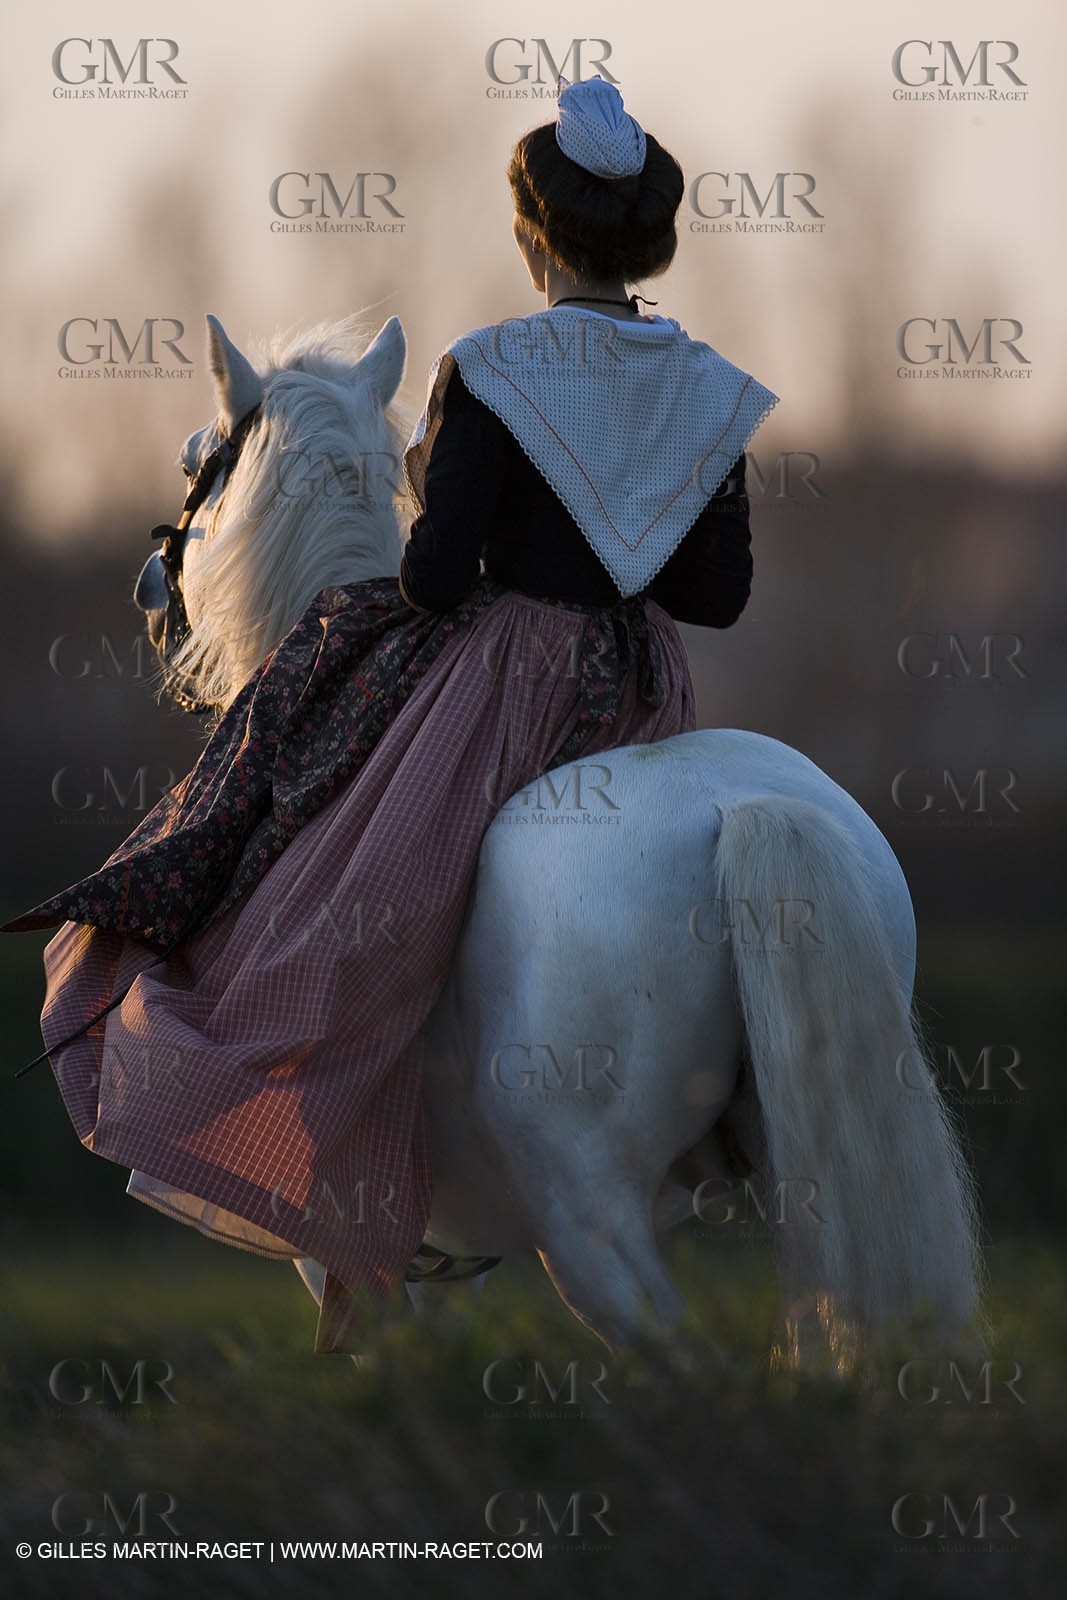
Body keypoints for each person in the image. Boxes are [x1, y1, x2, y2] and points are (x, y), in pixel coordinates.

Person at [4, 76, 778, 1353]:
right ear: (639, 239)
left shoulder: (490, 366)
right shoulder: (706, 385)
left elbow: (429, 578)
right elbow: (722, 592)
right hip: (644, 682)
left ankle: (336, 1145)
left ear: (535, 238)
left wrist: (450, 505)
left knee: (342, 894)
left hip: (507, 682)